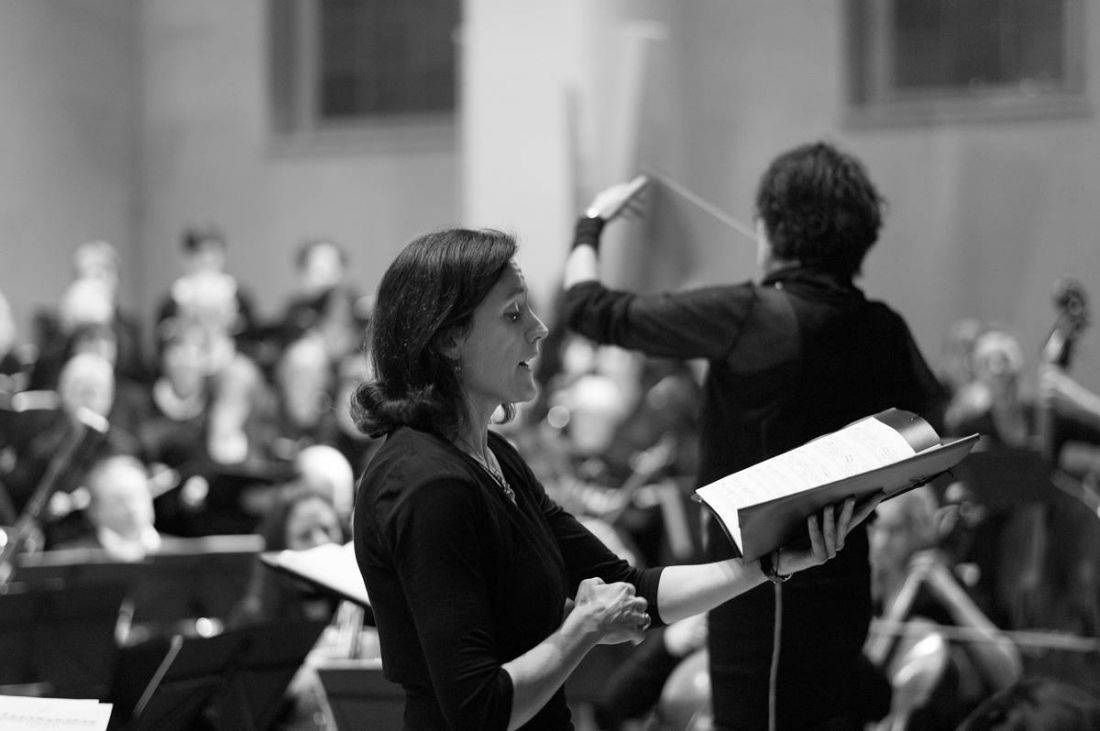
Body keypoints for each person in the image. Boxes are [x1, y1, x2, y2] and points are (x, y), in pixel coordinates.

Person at [351, 227, 880, 730]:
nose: (539, 327)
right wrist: (582, 630)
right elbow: (478, 712)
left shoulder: (493, 457)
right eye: (513, 314)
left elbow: (631, 586)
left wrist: (768, 563)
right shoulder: (426, 485)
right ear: (450, 341)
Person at [561, 141, 946, 729]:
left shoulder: (751, 315)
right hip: (844, 585)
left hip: (756, 595)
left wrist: (590, 223)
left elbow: (588, 307)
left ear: (772, 226)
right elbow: (930, 435)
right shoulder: (882, 328)